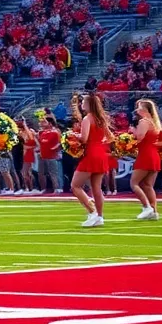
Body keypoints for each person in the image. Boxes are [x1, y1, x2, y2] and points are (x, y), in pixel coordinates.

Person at [69, 92, 112, 228]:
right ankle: (99, 216)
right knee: (96, 188)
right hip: (101, 153)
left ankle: (92, 211)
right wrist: (99, 141)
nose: (82, 104)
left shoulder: (88, 118)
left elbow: (84, 138)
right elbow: (110, 137)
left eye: (83, 102)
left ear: (88, 104)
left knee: (75, 186)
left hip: (91, 154)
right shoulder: (101, 118)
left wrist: (74, 135)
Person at [131, 99, 162, 221]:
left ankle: (147, 207)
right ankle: (154, 211)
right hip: (154, 155)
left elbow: (140, 137)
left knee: (134, 183)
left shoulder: (144, 121)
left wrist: (132, 132)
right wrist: (155, 145)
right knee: (147, 185)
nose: (137, 109)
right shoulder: (155, 123)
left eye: (139, 107)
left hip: (145, 155)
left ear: (145, 110)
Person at [37, 115, 63, 194]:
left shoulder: (55, 132)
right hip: (42, 155)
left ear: (50, 123)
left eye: (44, 122)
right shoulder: (42, 132)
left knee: (53, 173)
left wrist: (55, 149)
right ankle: (43, 189)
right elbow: (41, 142)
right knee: (41, 173)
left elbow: (60, 142)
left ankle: (57, 188)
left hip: (51, 156)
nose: (42, 123)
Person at [19, 119, 38, 195]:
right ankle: (28, 188)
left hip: (30, 154)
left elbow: (32, 141)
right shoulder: (22, 132)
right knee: (24, 173)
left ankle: (32, 187)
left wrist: (24, 125)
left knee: (27, 172)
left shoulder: (31, 132)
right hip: (25, 154)